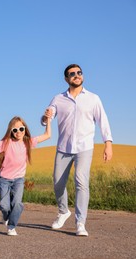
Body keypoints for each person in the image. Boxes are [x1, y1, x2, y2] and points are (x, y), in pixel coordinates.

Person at [42, 64, 113, 237]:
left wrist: (108, 143)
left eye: (79, 73)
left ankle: (80, 223)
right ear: (66, 79)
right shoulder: (58, 98)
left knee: (81, 182)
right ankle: (63, 211)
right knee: (58, 182)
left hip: (84, 147)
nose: (76, 75)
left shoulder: (93, 98)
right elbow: (46, 119)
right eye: (72, 74)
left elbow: (103, 121)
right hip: (63, 147)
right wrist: (45, 117)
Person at [0, 116, 51, 236]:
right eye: (15, 130)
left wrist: (48, 120)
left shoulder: (28, 142)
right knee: (4, 206)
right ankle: (6, 216)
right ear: (11, 131)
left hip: (19, 180)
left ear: (25, 129)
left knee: (17, 203)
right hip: (4, 179)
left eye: (21, 128)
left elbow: (47, 135)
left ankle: (11, 226)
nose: (18, 132)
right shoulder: (5, 143)